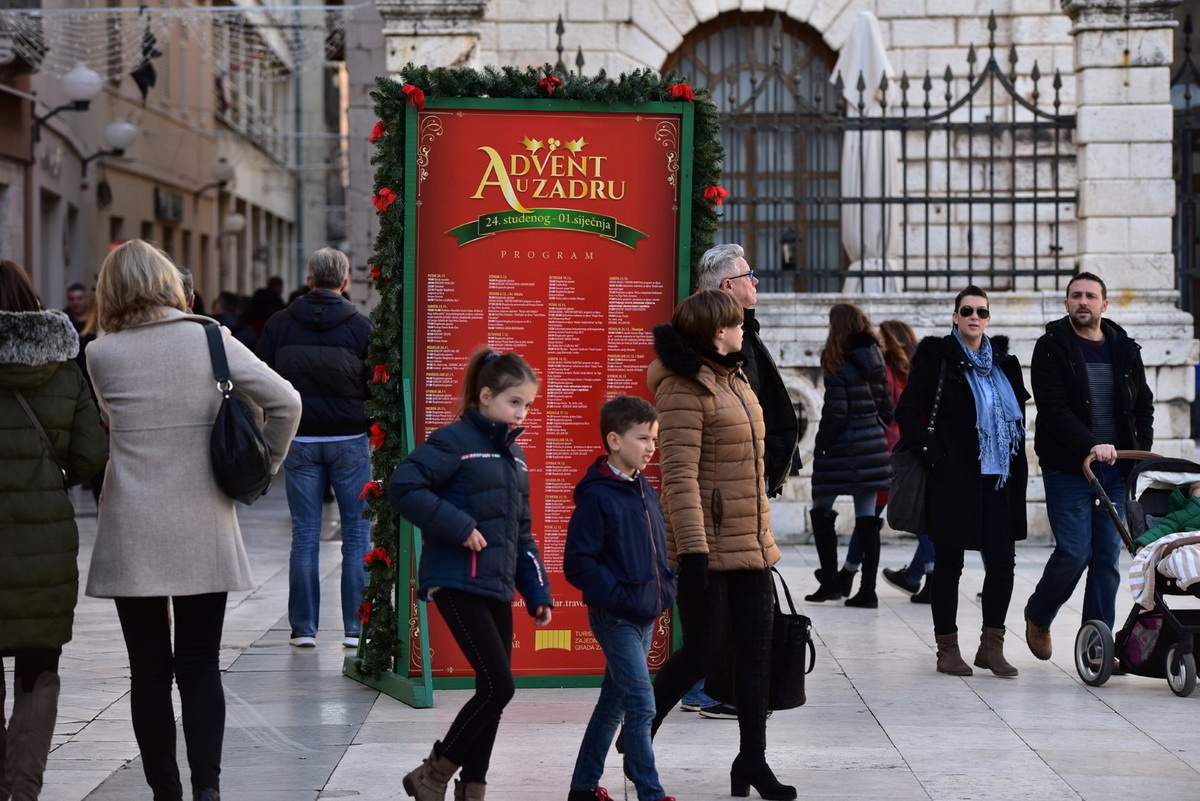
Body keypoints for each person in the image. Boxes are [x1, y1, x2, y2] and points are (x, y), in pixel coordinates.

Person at [85, 240, 301, 801]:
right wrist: (264, 466)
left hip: (132, 521)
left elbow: (110, 421)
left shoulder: (100, 354)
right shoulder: (210, 338)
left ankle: (166, 794)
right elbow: (286, 402)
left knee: (148, 674)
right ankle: (208, 791)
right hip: (203, 515)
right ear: (167, 281)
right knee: (201, 666)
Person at [645, 289, 794, 801]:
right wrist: (692, 553)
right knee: (704, 649)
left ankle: (752, 760)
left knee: (756, 653)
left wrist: (762, 535)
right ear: (715, 332)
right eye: (734, 324)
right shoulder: (682, 388)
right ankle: (639, 734)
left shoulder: (735, 376)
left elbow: (748, 467)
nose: (741, 330)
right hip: (705, 546)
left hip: (750, 542)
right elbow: (679, 479)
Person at [388, 349, 553, 801]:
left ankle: (471, 789)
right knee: (500, 685)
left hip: (496, 586)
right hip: (457, 581)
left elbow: (523, 534)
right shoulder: (454, 440)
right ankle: (432, 774)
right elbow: (403, 487)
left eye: (528, 406)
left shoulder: (515, 458)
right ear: (485, 396)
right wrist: (460, 526)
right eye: (514, 402)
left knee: (493, 692)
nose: (522, 414)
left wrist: (537, 589)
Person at [0, 261, 108, 800]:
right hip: (44, 546)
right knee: (38, 670)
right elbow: (90, 454)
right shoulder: (64, 367)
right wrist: (52, 477)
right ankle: (22, 790)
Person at [682, 243, 801, 718]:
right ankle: (702, 689)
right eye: (750, 275)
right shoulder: (710, 350)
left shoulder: (743, 335)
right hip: (724, 498)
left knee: (750, 614)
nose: (756, 282)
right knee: (723, 612)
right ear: (727, 287)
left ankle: (743, 703)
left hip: (747, 490)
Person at [895, 286, 1029, 677]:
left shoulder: (1006, 364)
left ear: (988, 319)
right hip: (953, 480)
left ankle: (992, 646)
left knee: (1003, 561)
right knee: (949, 564)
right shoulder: (938, 360)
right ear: (955, 316)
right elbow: (906, 412)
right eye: (967, 310)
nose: (974, 317)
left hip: (999, 480)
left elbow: (1017, 418)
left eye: (982, 312)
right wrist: (934, 453)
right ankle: (947, 649)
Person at [1023, 272, 1153, 660]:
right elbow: (1054, 408)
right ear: (1066, 304)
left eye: (1090, 296)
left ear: (1104, 304)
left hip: (1116, 470)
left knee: (1106, 559)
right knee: (1074, 552)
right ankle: (1038, 614)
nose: (1083, 302)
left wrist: (1139, 452)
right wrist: (1091, 445)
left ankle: (1096, 644)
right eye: (1076, 296)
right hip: (1069, 467)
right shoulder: (1050, 347)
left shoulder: (1125, 348)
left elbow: (1142, 405)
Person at [256, 248, 376, 649]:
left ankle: (304, 629)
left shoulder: (279, 324)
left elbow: (263, 380)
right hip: (349, 440)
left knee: (305, 535)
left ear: (309, 280)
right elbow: (376, 383)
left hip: (300, 440)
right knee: (357, 536)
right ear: (345, 283)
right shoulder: (361, 326)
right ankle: (354, 629)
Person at [564, 395, 677, 801]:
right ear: (614, 440)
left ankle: (582, 789)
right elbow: (577, 564)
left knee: (612, 705)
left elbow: (658, 546)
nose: (651, 447)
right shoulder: (598, 496)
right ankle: (651, 792)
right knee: (642, 703)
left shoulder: (643, 488)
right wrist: (618, 597)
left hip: (645, 613)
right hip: (616, 618)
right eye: (643, 438)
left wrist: (666, 585)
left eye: (654, 439)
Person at [806, 303, 893, 608]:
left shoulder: (837, 361)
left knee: (820, 509)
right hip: (872, 447)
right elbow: (886, 408)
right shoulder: (874, 358)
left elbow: (836, 412)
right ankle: (867, 592)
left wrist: (822, 443)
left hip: (842, 449)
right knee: (867, 519)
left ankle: (830, 582)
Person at [878, 319, 935, 604]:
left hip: (897, 448)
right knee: (918, 511)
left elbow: (888, 410)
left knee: (914, 514)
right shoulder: (918, 368)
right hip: (914, 446)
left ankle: (849, 574)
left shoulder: (888, 372)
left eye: (882, 339)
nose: (879, 344)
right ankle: (914, 575)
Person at [1134, 481, 1200, 552]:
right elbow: (1163, 528)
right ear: (1191, 501)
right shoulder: (1184, 515)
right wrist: (1143, 544)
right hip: (1190, 547)